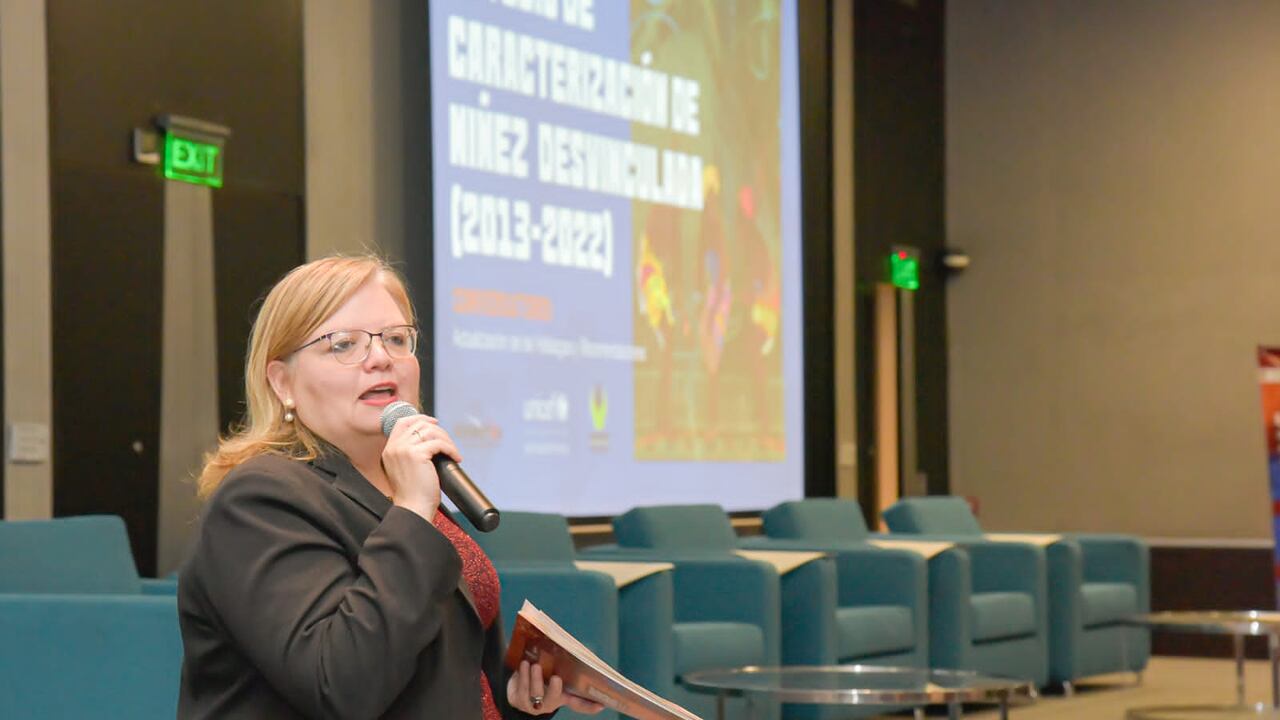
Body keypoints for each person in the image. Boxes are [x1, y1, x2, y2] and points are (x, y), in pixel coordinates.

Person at [177, 255, 604, 719]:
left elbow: (438, 678)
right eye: (343, 345)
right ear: (283, 383)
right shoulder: (260, 499)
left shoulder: (402, 485)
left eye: (397, 339)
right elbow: (340, 685)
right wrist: (413, 510)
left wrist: (522, 704)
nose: (381, 358)